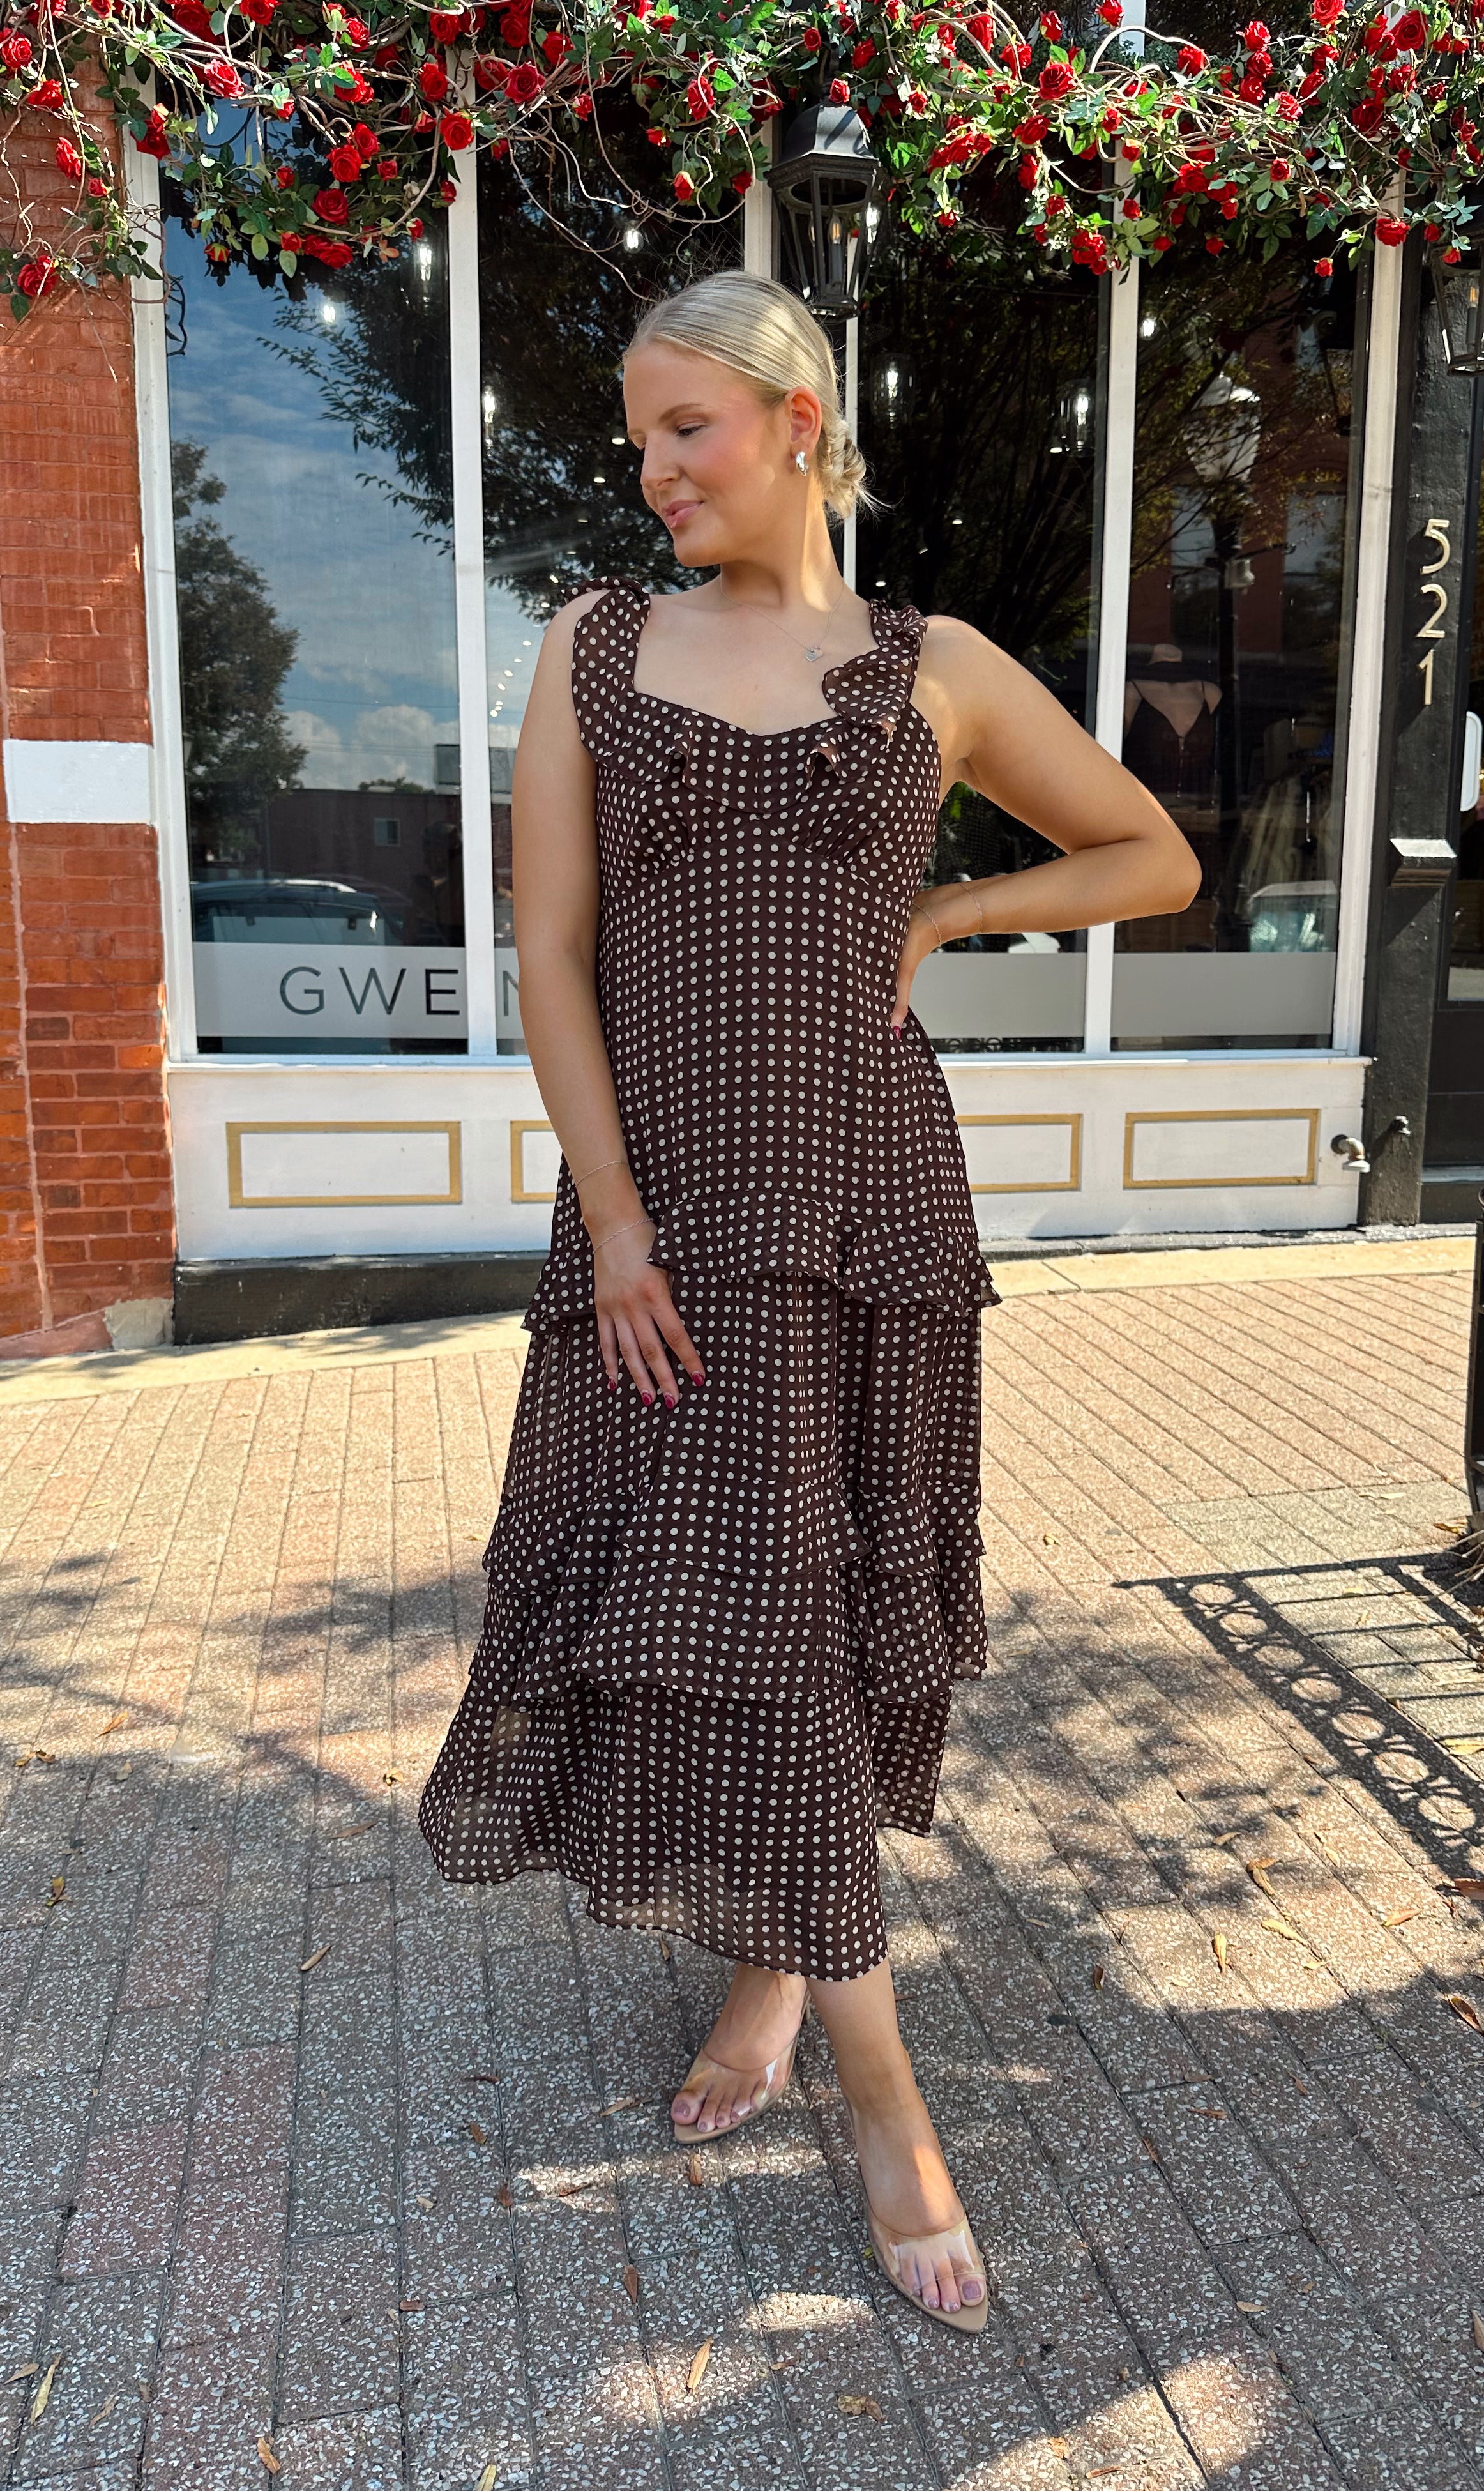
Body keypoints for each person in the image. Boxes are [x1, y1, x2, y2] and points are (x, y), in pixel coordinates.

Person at [420, 269, 1199, 2334]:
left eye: (684, 425)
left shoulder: (928, 666)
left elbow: (1151, 855)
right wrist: (610, 1224)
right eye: (634, 431)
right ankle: (887, 2096)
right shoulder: (591, 655)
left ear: (796, 419)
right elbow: (556, 959)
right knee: (741, 1602)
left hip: (871, 1211)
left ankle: (776, 1971)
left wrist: (949, 896)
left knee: (826, 1602)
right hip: (670, 1230)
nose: (648, 465)